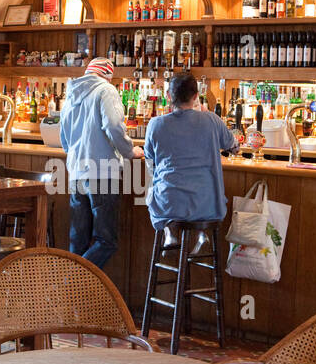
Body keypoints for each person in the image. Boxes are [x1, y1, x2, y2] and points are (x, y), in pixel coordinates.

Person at [58, 57, 142, 267]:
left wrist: (75, 157)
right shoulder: (106, 90)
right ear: (108, 75)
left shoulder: (72, 93)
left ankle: (73, 296)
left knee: (78, 241)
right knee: (106, 241)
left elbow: (63, 136)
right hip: (103, 172)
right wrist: (129, 152)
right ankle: (73, 282)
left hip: (77, 172)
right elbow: (114, 126)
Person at [144, 72, 240, 239]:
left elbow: (150, 161)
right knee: (202, 192)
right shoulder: (212, 120)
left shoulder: (156, 124)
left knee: (154, 192)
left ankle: (169, 229)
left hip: (170, 204)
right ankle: (202, 233)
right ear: (196, 96)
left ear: (168, 96)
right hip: (208, 206)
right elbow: (234, 147)